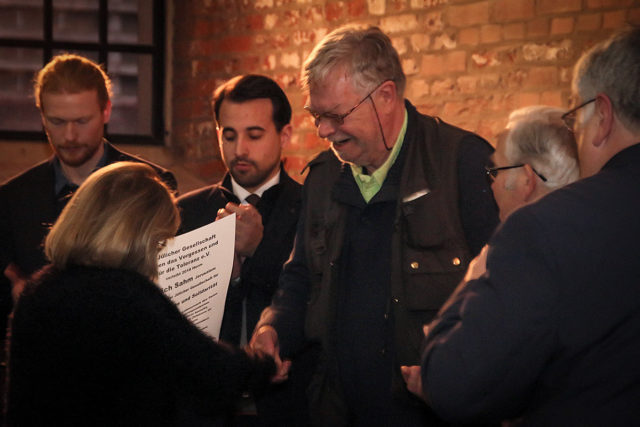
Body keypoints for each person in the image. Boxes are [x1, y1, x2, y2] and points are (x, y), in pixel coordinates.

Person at [250, 25, 499, 426]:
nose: (323, 131)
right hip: (334, 409)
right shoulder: (325, 176)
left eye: (335, 115)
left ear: (385, 96)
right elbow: (299, 278)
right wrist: (273, 327)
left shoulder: (462, 166)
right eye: (317, 116)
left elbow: (501, 296)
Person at [414, 27, 640, 425]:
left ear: (603, 116)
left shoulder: (545, 230)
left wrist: (472, 282)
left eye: (578, 121)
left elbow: (456, 382)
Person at [6, 162, 276, 426]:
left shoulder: (37, 289)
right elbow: (210, 369)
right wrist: (265, 363)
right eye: (162, 238)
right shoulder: (128, 296)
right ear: (140, 235)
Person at [0, 53, 177, 337]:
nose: (70, 135)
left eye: (82, 121)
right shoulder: (12, 199)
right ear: (41, 115)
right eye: (57, 121)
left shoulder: (150, 184)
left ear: (106, 111)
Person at [177, 74, 307, 424]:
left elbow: (310, 299)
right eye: (229, 135)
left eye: (254, 134)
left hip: (289, 403)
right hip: (205, 406)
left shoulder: (313, 209)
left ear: (285, 135)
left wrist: (256, 252)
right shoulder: (183, 212)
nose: (239, 150)